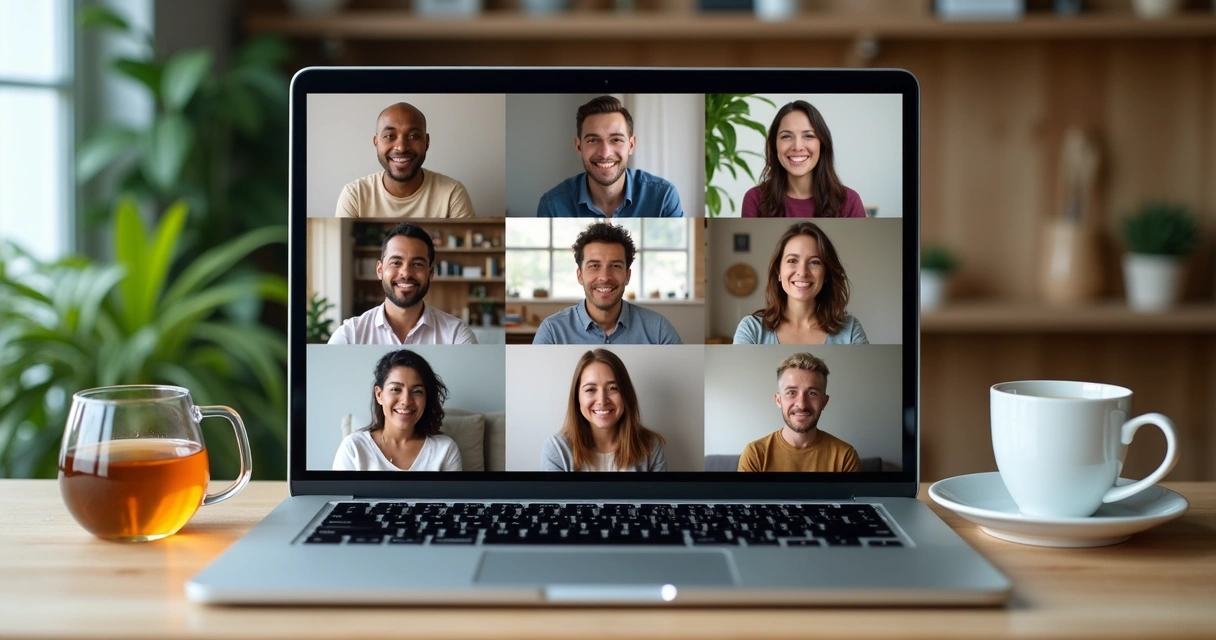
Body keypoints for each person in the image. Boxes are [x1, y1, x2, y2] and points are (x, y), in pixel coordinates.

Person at [533, 222, 682, 345]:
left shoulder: (658, 330)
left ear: (627, 276)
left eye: (615, 266)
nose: (604, 277)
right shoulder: (552, 332)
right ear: (580, 275)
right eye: (594, 266)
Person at [329, 222, 477, 344]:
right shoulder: (349, 336)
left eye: (417, 264)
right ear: (380, 270)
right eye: (396, 263)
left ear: (430, 273)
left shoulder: (457, 336)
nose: (406, 273)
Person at [536, 95, 683, 218]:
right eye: (593, 140)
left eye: (616, 140)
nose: (605, 153)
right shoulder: (551, 206)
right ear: (579, 146)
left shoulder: (664, 197)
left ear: (631, 145)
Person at [733, 221, 868, 345]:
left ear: (826, 274)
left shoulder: (850, 330)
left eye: (814, 262)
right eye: (792, 261)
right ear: (778, 272)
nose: (802, 272)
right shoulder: (751, 329)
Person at [335, 102, 475, 218]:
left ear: (426, 142)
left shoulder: (452, 193)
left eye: (413, 136)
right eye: (390, 136)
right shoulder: (355, 195)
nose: (401, 148)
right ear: (376, 142)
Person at [332, 349, 463, 471]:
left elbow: (452, 496)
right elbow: (340, 496)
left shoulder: (445, 449)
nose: (406, 401)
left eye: (417, 391)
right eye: (395, 389)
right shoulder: (354, 447)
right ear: (379, 394)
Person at [541, 349, 667, 472]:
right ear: (577, 397)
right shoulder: (557, 449)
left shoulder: (650, 446)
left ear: (626, 394)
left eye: (613, 388)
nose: (602, 400)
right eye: (591, 390)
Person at [737, 352, 860, 472]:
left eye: (812, 393)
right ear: (778, 400)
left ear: (824, 402)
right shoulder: (755, 454)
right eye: (791, 392)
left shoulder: (845, 456)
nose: (801, 404)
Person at [741, 100, 865, 218]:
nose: (797, 147)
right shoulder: (755, 199)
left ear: (822, 144)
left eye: (808, 136)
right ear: (774, 145)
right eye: (786, 136)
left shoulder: (849, 202)